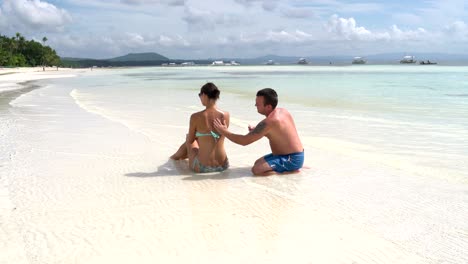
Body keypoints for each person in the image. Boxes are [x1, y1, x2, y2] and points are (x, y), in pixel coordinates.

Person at [213, 88, 304, 176]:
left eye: (258, 104)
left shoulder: (270, 121)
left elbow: (244, 141)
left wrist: (224, 131)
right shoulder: (282, 111)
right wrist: (258, 130)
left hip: (292, 158)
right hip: (292, 154)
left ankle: (292, 171)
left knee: (256, 170)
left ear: (268, 107)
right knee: (258, 163)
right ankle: (294, 165)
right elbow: (278, 131)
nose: (255, 105)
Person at [170, 82, 229, 173]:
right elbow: (218, 136)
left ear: (204, 95)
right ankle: (174, 158)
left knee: (188, 138)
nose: (200, 98)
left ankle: (173, 158)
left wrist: (196, 136)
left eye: (199, 95)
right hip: (223, 165)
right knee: (204, 138)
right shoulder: (226, 115)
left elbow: (190, 140)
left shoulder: (196, 117)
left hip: (202, 167)